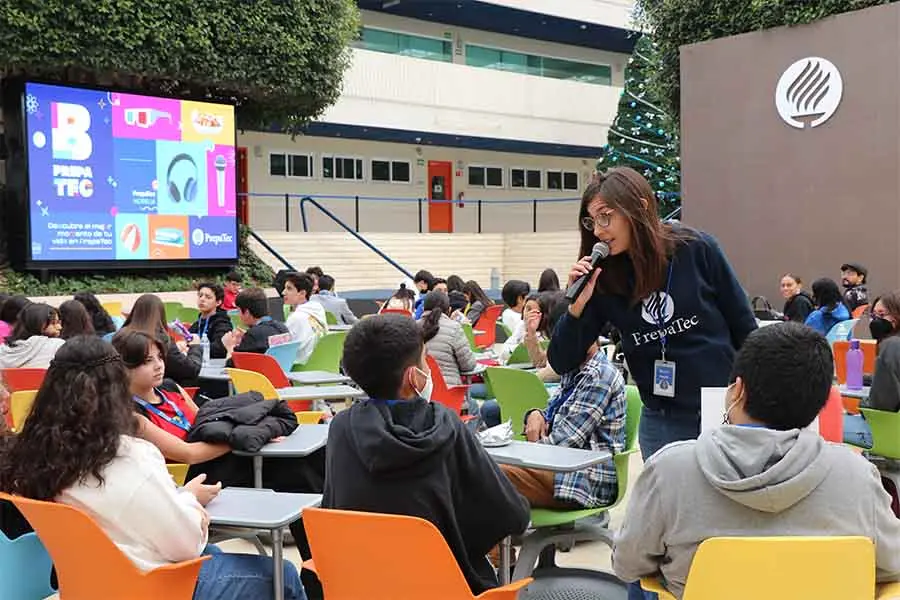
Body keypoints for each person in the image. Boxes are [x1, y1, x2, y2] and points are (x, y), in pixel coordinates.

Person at [0, 335, 305, 600]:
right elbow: (185, 546)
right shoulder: (129, 457)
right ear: (117, 390)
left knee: (216, 556)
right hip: (151, 587)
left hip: (88, 586)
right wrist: (188, 499)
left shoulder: (33, 458)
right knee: (283, 574)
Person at [612, 323, 900, 600]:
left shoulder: (669, 469)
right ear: (822, 402)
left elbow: (627, 564)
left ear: (738, 390)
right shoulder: (858, 476)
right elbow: (892, 565)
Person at [550, 167, 756, 462]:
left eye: (606, 216)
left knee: (725, 502)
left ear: (640, 207)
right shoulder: (604, 276)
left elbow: (745, 327)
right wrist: (576, 308)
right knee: (670, 506)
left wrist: (752, 398)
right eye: (592, 221)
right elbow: (561, 360)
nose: (598, 230)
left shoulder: (697, 249)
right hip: (662, 419)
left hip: (722, 408)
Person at [321, 314, 530, 595]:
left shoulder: (341, 429)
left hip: (360, 587)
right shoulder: (446, 426)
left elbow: (334, 511)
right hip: (447, 589)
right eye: (424, 359)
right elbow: (511, 515)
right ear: (412, 377)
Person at [504, 339, 625, 509]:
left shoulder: (599, 376)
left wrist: (530, 445)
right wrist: (535, 414)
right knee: (481, 468)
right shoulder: (574, 370)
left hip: (586, 479)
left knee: (490, 473)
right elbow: (552, 414)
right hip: (559, 467)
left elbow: (562, 444)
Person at [113, 329, 231, 464]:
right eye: (147, 361)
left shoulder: (171, 387)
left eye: (160, 357)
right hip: (184, 478)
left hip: (212, 462)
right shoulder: (132, 415)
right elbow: (189, 455)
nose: (158, 366)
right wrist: (237, 440)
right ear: (124, 368)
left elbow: (204, 420)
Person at [843, 293, 900, 448]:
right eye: (873, 315)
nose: (875, 321)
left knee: (823, 422)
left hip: (887, 433)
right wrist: (869, 379)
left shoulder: (891, 346)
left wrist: (862, 403)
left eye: (882, 315)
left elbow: (881, 405)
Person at [123, 294, 202, 386]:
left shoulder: (121, 335)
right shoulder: (158, 339)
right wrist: (195, 346)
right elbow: (190, 370)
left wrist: (175, 349)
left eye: (160, 356)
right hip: (151, 389)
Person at [419, 291, 478, 389]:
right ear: (449, 310)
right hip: (450, 394)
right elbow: (468, 365)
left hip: (420, 393)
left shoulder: (412, 328)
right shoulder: (454, 328)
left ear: (423, 308)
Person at [222, 288, 290, 360]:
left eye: (238, 311)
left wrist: (230, 347)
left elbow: (232, 366)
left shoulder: (253, 334)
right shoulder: (282, 328)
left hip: (260, 371)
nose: (239, 315)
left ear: (247, 312)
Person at [0, 303, 65, 369]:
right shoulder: (57, 345)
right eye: (53, 323)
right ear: (38, 323)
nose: (59, 327)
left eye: (58, 323)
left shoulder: (2, 350)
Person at [283, 273, 327, 365]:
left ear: (302, 293)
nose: (283, 292)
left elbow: (285, 350)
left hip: (298, 367)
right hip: (319, 365)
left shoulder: (296, 318)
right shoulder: (318, 310)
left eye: (289, 288)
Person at [188, 282, 233, 359]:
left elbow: (219, 348)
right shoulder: (196, 324)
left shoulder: (223, 323)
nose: (202, 299)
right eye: (200, 296)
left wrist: (194, 347)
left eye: (208, 297)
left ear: (218, 302)